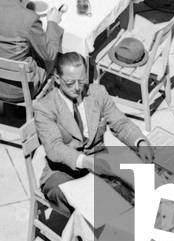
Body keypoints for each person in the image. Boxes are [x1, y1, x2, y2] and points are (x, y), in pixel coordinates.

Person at [33, 52, 154, 215]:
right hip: (62, 170)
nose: (77, 88)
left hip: (99, 159)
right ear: (57, 78)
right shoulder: (44, 107)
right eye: (70, 83)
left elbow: (120, 122)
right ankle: (88, 233)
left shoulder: (98, 93)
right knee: (87, 203)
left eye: (81, 81)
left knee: (132, 193)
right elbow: (54, 148)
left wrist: (140, 142)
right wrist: (86, 162)